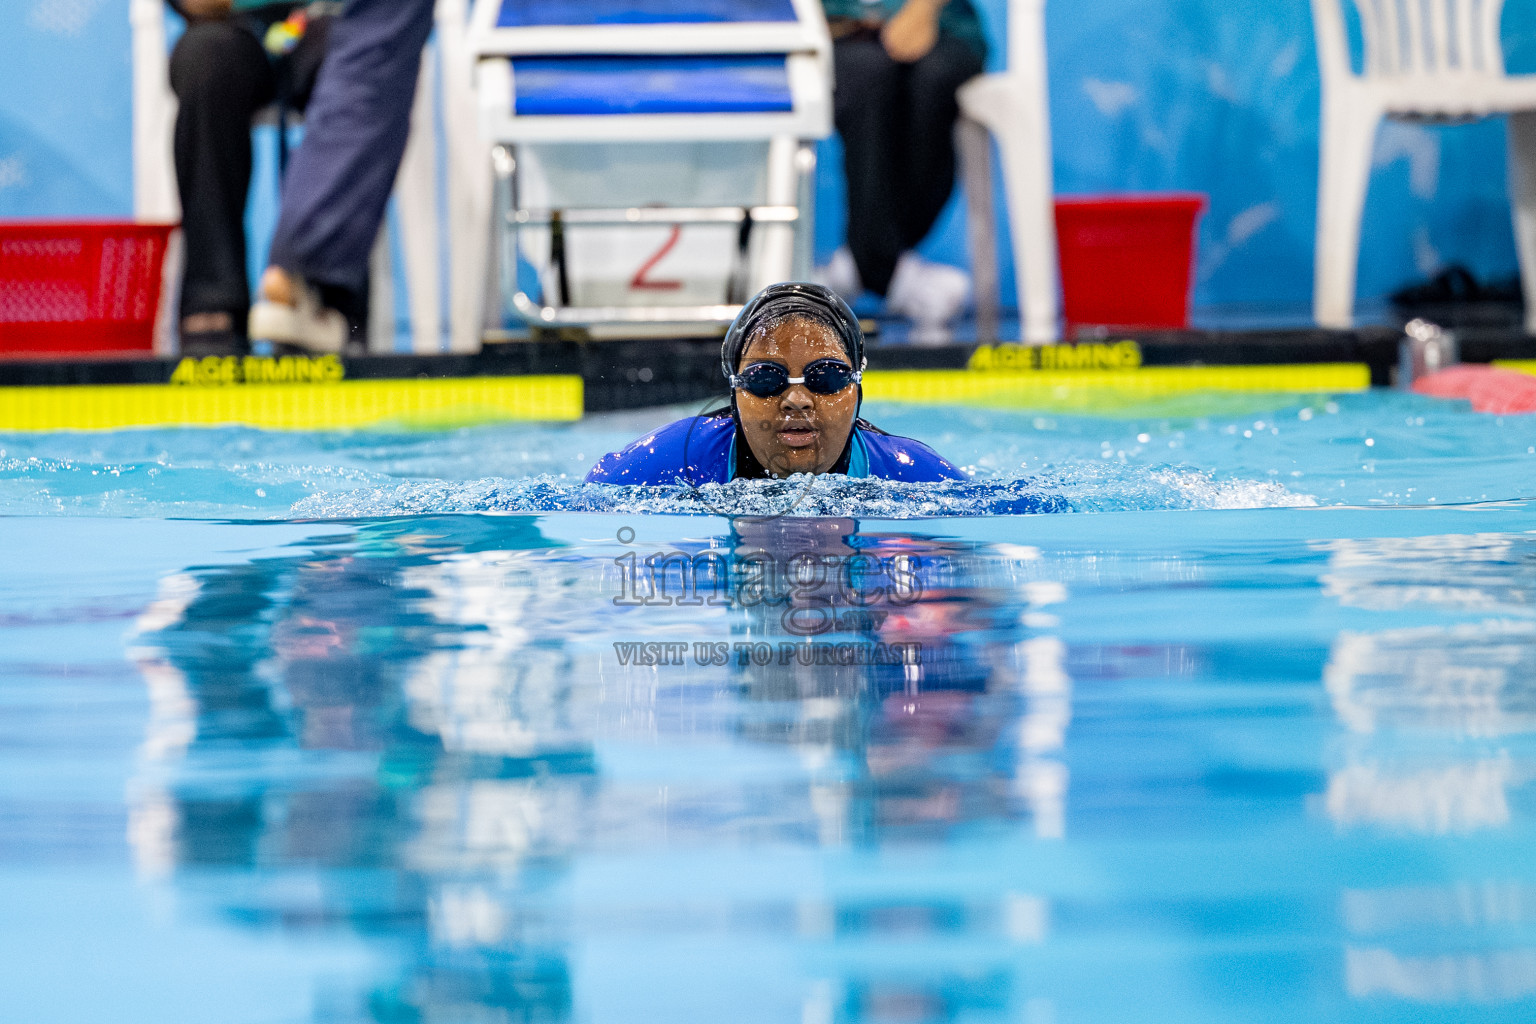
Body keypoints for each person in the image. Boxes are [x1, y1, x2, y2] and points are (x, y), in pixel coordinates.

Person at [586, 283, 964, 485]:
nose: (796, 400)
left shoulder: (914, 476)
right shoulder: (672, 464)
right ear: (734, 392)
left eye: (826, 377)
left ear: (857, 387)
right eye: (766, 379)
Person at [247, 0, 438, 352]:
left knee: (370, 37)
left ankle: (312, 287)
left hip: (338, 29)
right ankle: (286, 282)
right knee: (206, 61)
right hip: (248, 29)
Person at [168, 0, 334, 354]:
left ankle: (324, 296)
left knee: (353, 64)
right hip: (235, 29)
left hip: (327, 22)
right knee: (204, 56)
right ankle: (214, 295)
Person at [816, 0, 987, 332]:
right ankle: (886, 268)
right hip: (841, 29)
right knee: (866, 71)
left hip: (943, 23)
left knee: (932, 77)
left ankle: (861, 263)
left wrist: (923, 9)